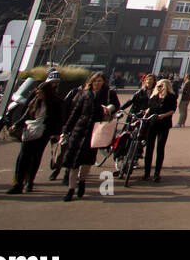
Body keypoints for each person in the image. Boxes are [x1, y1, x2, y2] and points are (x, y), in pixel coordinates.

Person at [57, 72, 120, 202]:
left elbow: (117, 106)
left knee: (87, 160)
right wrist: (66, 130)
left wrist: (110, 108)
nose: (97, 83)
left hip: (95, 130)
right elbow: (75, 113)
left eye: (99, 81)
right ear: (91, 82)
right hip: (79, 129)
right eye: (95, 81)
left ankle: (82, 181)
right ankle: (71, 189)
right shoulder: (84, 94)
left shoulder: (108, 94)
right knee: (74, 161)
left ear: (103, 82)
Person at [7, 80, 64, 194]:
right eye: (38, 92)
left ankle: (29, 183)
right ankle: (19, 183)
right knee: (23, 157)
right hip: (31, 130)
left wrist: (57, 133)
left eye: (41, 92)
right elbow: (26, 115)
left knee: (36, 156)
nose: (38, 94)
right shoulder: (35, 101)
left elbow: (59, 119)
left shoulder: (56, 102)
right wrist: (16, 124)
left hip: (44, 132)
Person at [142, 78, 178, 181]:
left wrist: (163, 115)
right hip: (152, 124)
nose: (159, 88)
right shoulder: (154, 96)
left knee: (160, 148)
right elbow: (149, 108)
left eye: (161, 86)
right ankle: (146, 172)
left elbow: (172, 110)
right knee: (149, 148)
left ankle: (157, 172)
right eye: (158, 86)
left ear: (166, 86)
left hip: (164, 124)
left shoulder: (171, 97)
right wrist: (145, 113)